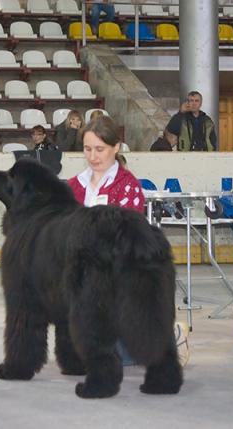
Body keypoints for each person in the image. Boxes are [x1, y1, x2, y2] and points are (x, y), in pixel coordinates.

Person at [67, 116, 189, 366]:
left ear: (116, 148)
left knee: (122, 358)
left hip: (119, 275)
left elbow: (124, 239)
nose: (92, 156)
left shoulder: (128, 186)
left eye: (99, 149)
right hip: (85, 275)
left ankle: (169, 335)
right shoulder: (73, 186)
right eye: (87, 149)